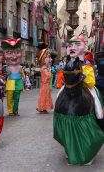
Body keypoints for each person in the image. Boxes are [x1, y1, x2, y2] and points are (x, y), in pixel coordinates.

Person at [54, 35, 104, 165]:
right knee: (59, 95)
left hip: (85, 88)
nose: (73, 47)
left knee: (95, 99)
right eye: (70, 45)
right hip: (69, 86)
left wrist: (83, 77)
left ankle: (100, 117)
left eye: (77, 45)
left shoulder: (86, 64)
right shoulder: (66, 62)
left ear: (85, 48)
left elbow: (91, 82)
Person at [1, 38, 23, 116]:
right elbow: (4, 76)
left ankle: (15, 110)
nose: (14, 56)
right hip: (10, 83)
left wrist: (22, 73)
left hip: (18, 83)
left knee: (17, 99)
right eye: (10, 53)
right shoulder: (6, 67)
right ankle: (10, 111)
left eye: (17, 52)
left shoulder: (20, 67)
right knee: (9, 98)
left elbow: (23, 75)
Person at [36, 48, 53, 113]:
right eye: (48, 57)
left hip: (46, 85)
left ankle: (43, 107)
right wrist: (49, 71)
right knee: (44, 96)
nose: (50, 60)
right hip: (45, 85)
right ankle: (41, 108)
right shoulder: (44, 69)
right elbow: (48, 76)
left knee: (45, 97)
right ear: (43, 59)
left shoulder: (45, 68)